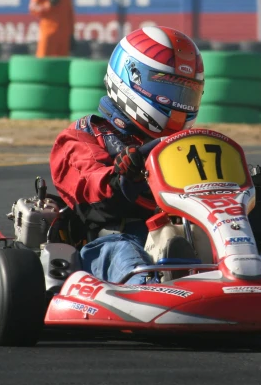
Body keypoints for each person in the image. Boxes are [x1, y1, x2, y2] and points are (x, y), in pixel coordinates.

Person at [49, 26, 204, 284]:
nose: (178, 103)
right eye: (169, 92)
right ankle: (149, 286)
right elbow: (93, 196)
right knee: (123, 250)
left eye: (186, 93)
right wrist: (124, 176)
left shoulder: (187, 143)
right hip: (112, 239)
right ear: (131, 77)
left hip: (184, 232)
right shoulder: (84, 135)